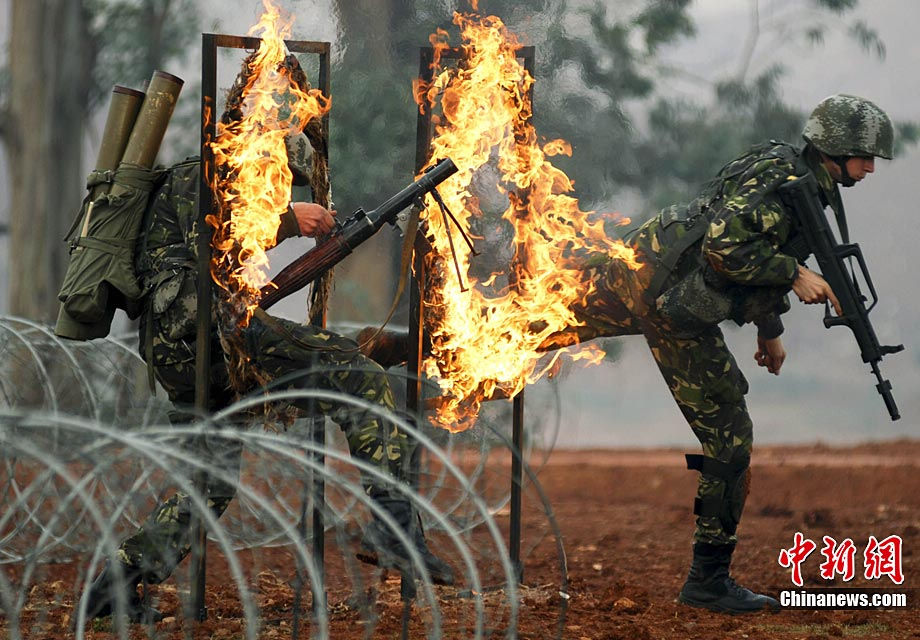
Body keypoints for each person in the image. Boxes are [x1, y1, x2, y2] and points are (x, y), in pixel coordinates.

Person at [538, 94, 894, 613]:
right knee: (730, 437)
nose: (869, 168)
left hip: (649, 264)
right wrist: (793, 274)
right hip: (671, 301)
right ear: (834, 149)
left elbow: (752, 245)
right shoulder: (784, 183)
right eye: (864, 156)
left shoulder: (793, 175)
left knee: (520, 333)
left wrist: (768, 326)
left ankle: (400, 348)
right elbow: (727, 249)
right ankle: (707, 581)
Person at [82, 130, 455, 624]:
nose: (284, 190)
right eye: (284, 178)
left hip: (193, 344)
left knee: (209, 485)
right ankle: (394, 529)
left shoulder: (222, 183)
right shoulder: (202, 175)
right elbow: (208, 249)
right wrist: (287, 222)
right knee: (357, 376)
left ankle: (112, 591)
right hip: (206, 337)